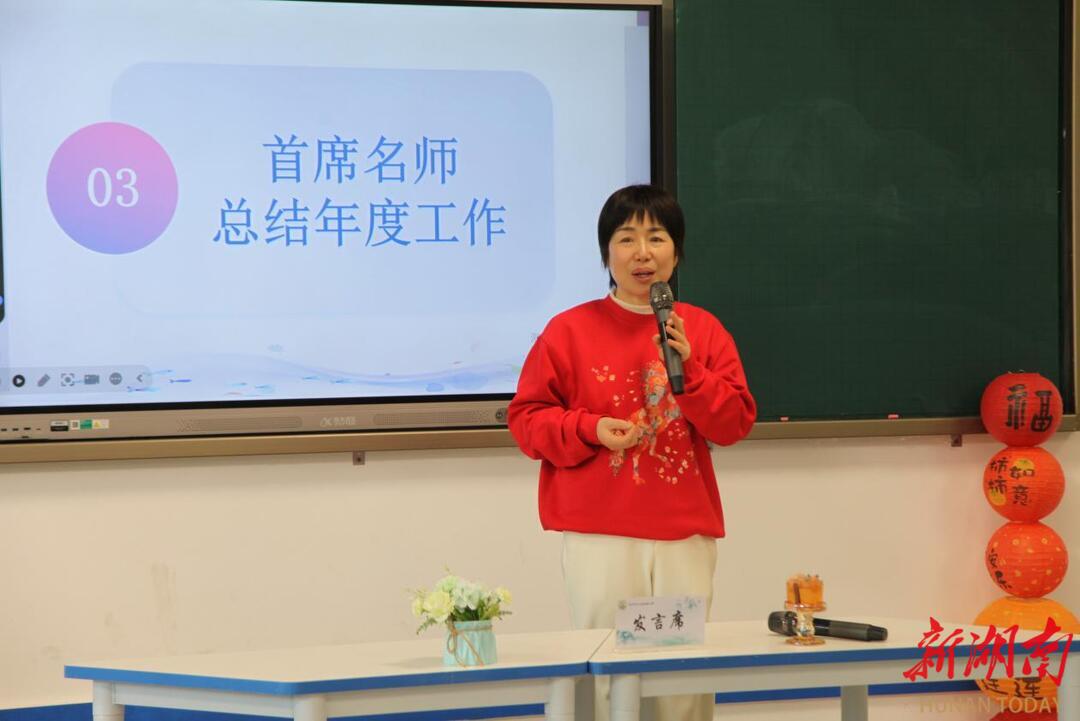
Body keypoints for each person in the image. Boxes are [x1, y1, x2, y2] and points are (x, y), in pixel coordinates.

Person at [507, 184, 756, 721]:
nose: (643, 253)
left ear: (677, 252)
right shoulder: (568, 331)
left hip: (682, 535)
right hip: (601, 534)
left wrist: (692, 373)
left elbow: (735, 422)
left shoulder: (701, 330)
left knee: (680, 680)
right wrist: (590, 428)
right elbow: (527, 421)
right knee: (606, 677)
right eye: (626, 238)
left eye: (657, 238)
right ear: (607, 253)